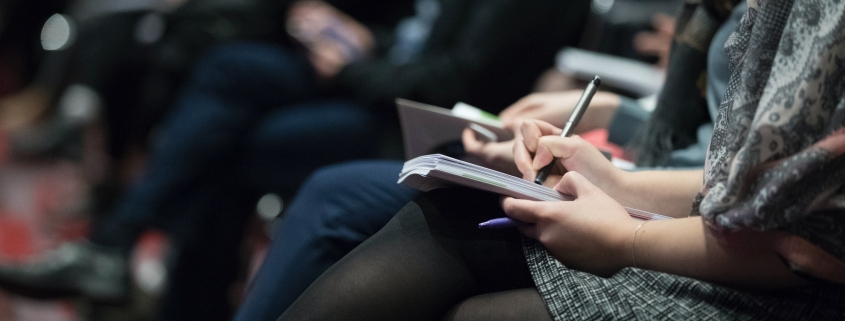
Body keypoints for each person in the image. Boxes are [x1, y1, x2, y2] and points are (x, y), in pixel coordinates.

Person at [0, 0, 590, 320]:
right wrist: (352, 39)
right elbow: (417, 42)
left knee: (234, 146)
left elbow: (452, 79)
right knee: (226, 68)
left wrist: (356, 66)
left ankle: (130, 257)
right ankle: (126, 252)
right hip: (382, 85)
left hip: (426, 127)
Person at [270, 0, 844, 319]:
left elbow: (804, 237)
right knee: (441, 213)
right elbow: (739, 175)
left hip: (776, 279)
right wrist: (615, 178)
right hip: (702, 211)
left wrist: (627, 235)